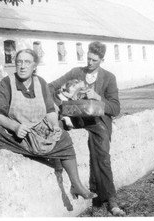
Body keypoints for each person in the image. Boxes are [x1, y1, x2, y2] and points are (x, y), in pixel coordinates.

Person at [0, 49, 96, 201]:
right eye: (19, 62)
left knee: (64, 137)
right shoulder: (6, 83)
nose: (22, 66)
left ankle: (76, 185)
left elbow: (50, 111)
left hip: (37, 128)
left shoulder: (41, 83)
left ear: (34, 66)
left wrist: (54, 125)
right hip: (16, 130)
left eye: (27, 62)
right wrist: (15, 127)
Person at [48, 42, 126, 216]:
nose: (90, 63)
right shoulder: (77, 72)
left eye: (94, 60)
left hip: (98, 122)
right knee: (57, 133)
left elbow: (116, 108)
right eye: (88, 58)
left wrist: (98, 98)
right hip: (76, 119)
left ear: (102, 60)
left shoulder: (108, 78)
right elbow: (51, 86)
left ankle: (110, 199)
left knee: (102, 156)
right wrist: (62, 102)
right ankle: (74, 188)